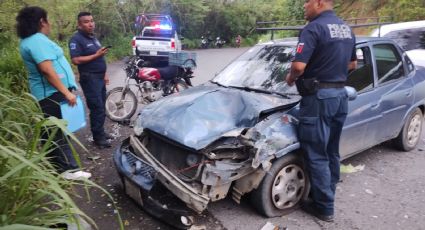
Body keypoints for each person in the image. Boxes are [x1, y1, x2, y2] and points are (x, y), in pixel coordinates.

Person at [285, 0, 357, 222]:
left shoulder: (312, 28)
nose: (304, 6)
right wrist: (331, 70)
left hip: (318, 99)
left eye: (307, 2)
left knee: (316, 154)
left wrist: (290, 78)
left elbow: (298, 66)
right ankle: (328, 191)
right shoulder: (347, 28)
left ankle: (324, 207)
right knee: (331, 150)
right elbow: (352, 64)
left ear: (318, 3)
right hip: (339, 95)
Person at [16, 6, 91, 180]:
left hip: (50, 93)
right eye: (48, 20)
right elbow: (47, 70)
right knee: (57, 131)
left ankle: (54, 166)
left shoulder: (31, 40)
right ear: (42, 21)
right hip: (51, 93)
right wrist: (67, 93)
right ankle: (68, 170)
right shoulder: (36, 40)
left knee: (51, 130)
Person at [69, 12, 112, 149]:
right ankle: (98, 138)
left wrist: (104, 73)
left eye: (92, 21)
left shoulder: (93, 38)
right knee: (96, 107)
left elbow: (100, 57)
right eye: (86, 22)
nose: (91, 24)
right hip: (90, 78)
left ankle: (101, 132)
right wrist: (96, 55)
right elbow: (75, 60)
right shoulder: (76, 39)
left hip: (99, 77)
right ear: (79, 25)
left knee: (101, 106)